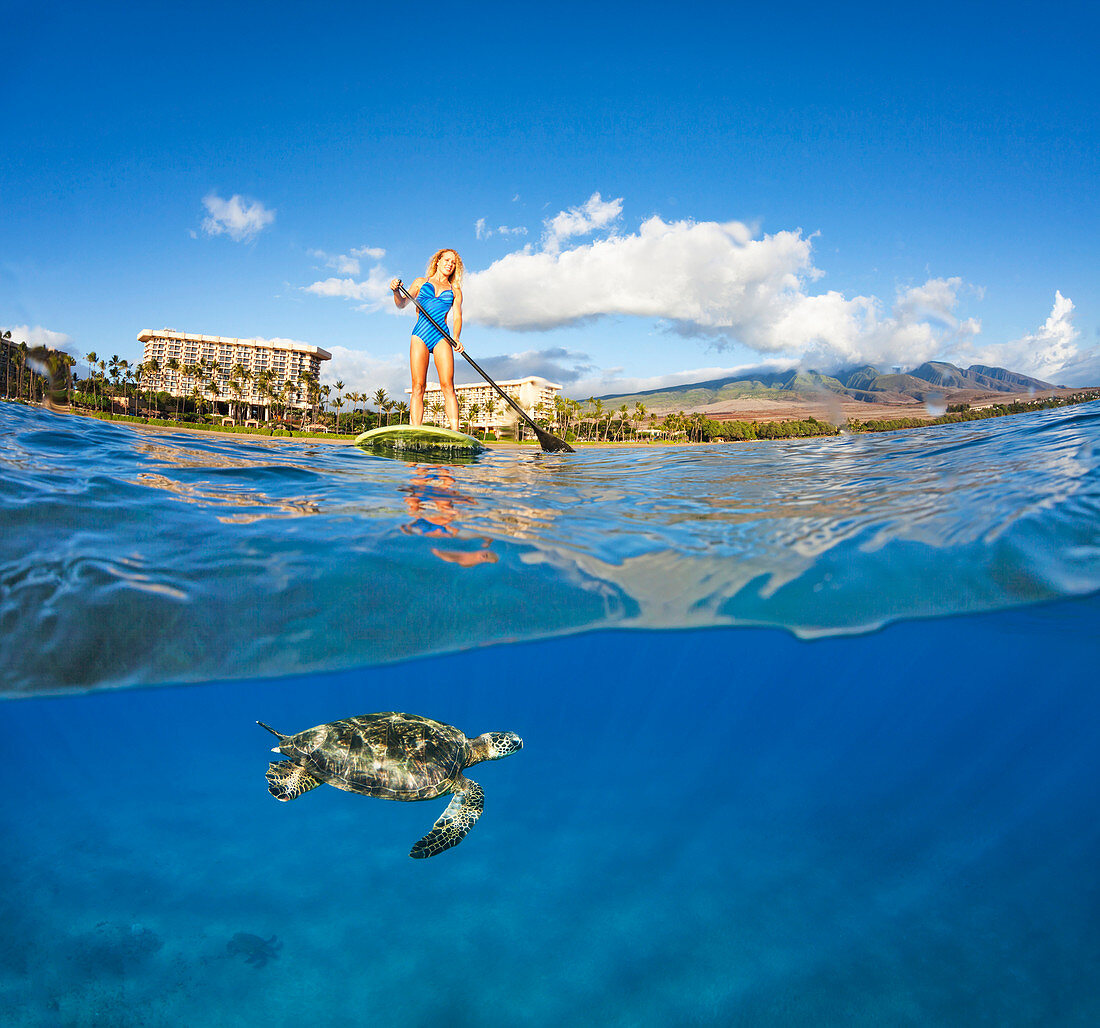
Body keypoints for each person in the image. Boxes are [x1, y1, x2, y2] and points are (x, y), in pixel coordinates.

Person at [390, 249, 464, 431]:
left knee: (448, 385)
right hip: (421, 334)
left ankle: (455, 433)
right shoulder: (420, 282)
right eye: (447, 260)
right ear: (437, 261)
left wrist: (456, 337)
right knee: (418, 386)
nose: (450, 264)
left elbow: (457, 317)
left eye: (453, 263)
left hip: (442, 337)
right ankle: (415, 430)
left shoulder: (455, 291)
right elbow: (401, 304)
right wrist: (396, 292)